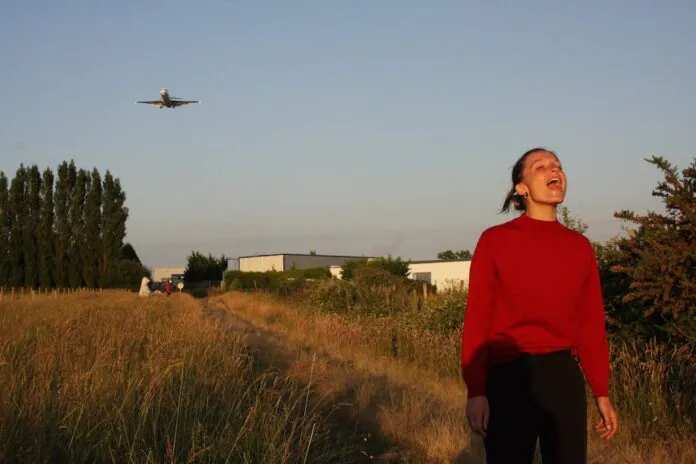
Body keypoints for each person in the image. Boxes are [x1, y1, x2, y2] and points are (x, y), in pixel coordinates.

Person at [461, 148, 618, 463]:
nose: (554, 171)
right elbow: (478, 318)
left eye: (558, 166)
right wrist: (476, 390)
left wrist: (601, 391)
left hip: (563, 376)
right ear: (522, 188)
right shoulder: (495, 241)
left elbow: (590, 324)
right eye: (541, 166)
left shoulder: (579, 247)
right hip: (509, 376)